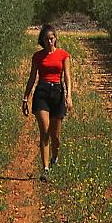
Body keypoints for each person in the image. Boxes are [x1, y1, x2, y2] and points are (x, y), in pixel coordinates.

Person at [22, 24, 73, 182]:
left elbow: (67, 77)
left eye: (52, 39)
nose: (50, 42)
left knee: (55, 136)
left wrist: (69, 96)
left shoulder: (63, 55)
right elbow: (32, 78)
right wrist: (25, 97)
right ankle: (45, 169)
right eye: (46, 39)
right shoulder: (37, 57)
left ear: (55, 39)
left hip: (57, 93)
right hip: (42, 93)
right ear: (42, 41)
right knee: (44, 131)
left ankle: (54, 158)